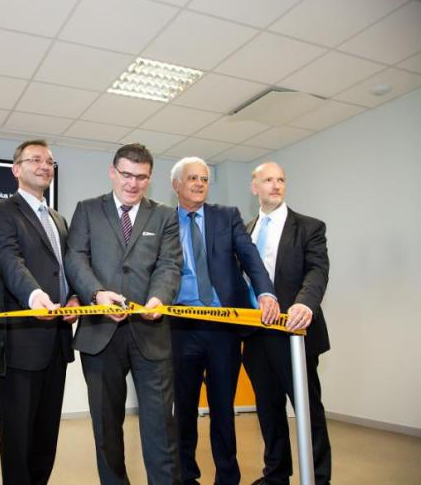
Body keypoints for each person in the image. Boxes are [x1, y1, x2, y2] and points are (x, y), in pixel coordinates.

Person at [64, 143, 183, 485]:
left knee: (161, 425)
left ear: (150, 178)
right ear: (113, 172)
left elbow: (170, 264)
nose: (132, 183)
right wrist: (97, 294)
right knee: (106, 425)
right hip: (101, 333)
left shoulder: (164, 215)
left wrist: (160, 298)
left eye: (141, 177)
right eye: (126, 174)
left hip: (152, 332)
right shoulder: (88, 210)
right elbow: (75, 258)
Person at [168, 156, 279, 485]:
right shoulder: (163, 221)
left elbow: (250, 256)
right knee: (183, 409)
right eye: (192, 178)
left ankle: (227, 478)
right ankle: (185, 476)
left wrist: (266, 293)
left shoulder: (226, 217)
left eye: (204, 178)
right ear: (176, 184)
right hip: (180, 328)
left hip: (223, 329)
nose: (200, 183)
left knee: (222, 409)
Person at [0, 139, 78, 485]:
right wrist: (34, 294)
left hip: (58, 341)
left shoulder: (58, 219)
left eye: (49, 161)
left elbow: (67, 269)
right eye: (35, 160)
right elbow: (9, 261)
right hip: (22, 344)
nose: (44, 166)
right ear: (16, 169)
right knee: (19, 436)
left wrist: (75, 298)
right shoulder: (1, 211)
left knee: (46, 434)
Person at [243, 162, 331, 485]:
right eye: (268, 180)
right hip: (255, 335)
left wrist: (305, 303)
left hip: (295, 334)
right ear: (255, 187)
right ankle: (276, 474)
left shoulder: (309, 227)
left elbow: (317, 271)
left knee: (309, 412)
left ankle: (319, 478)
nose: (276, 185)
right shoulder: (246, 230)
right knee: (268, 411)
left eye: (281, 180)